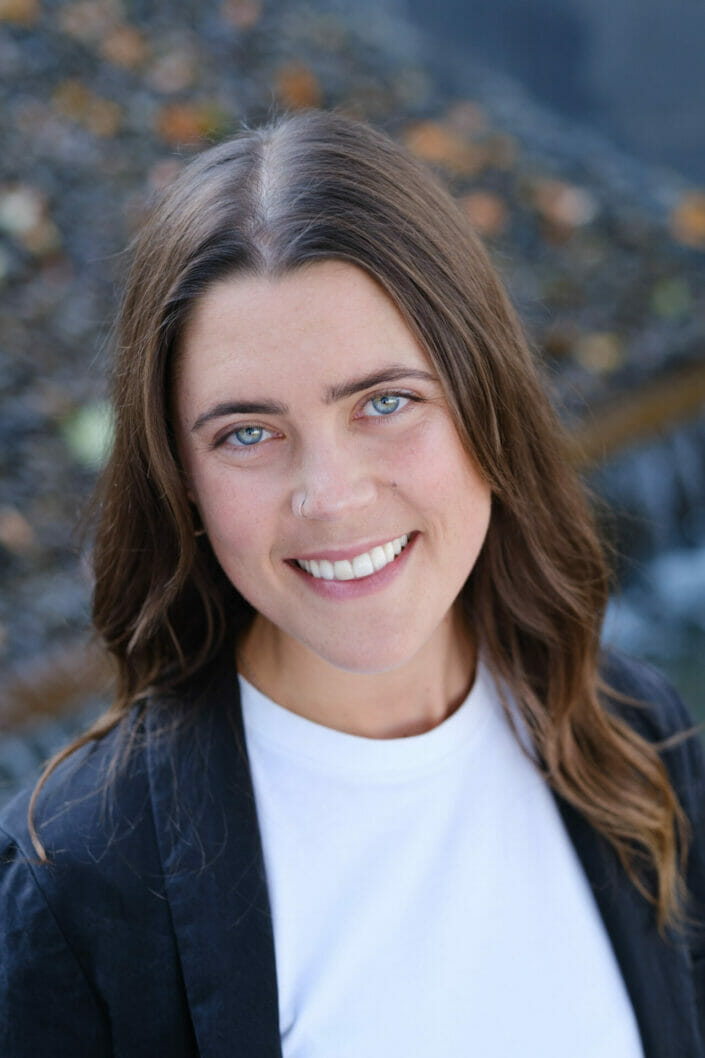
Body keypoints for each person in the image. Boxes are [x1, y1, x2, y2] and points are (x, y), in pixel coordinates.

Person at [1, 109, 703, 1058]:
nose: (331, 499)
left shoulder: (632, 736)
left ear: (484, 401)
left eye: (385, 402)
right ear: (181, 480)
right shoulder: (81, 884)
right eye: (247, 432)